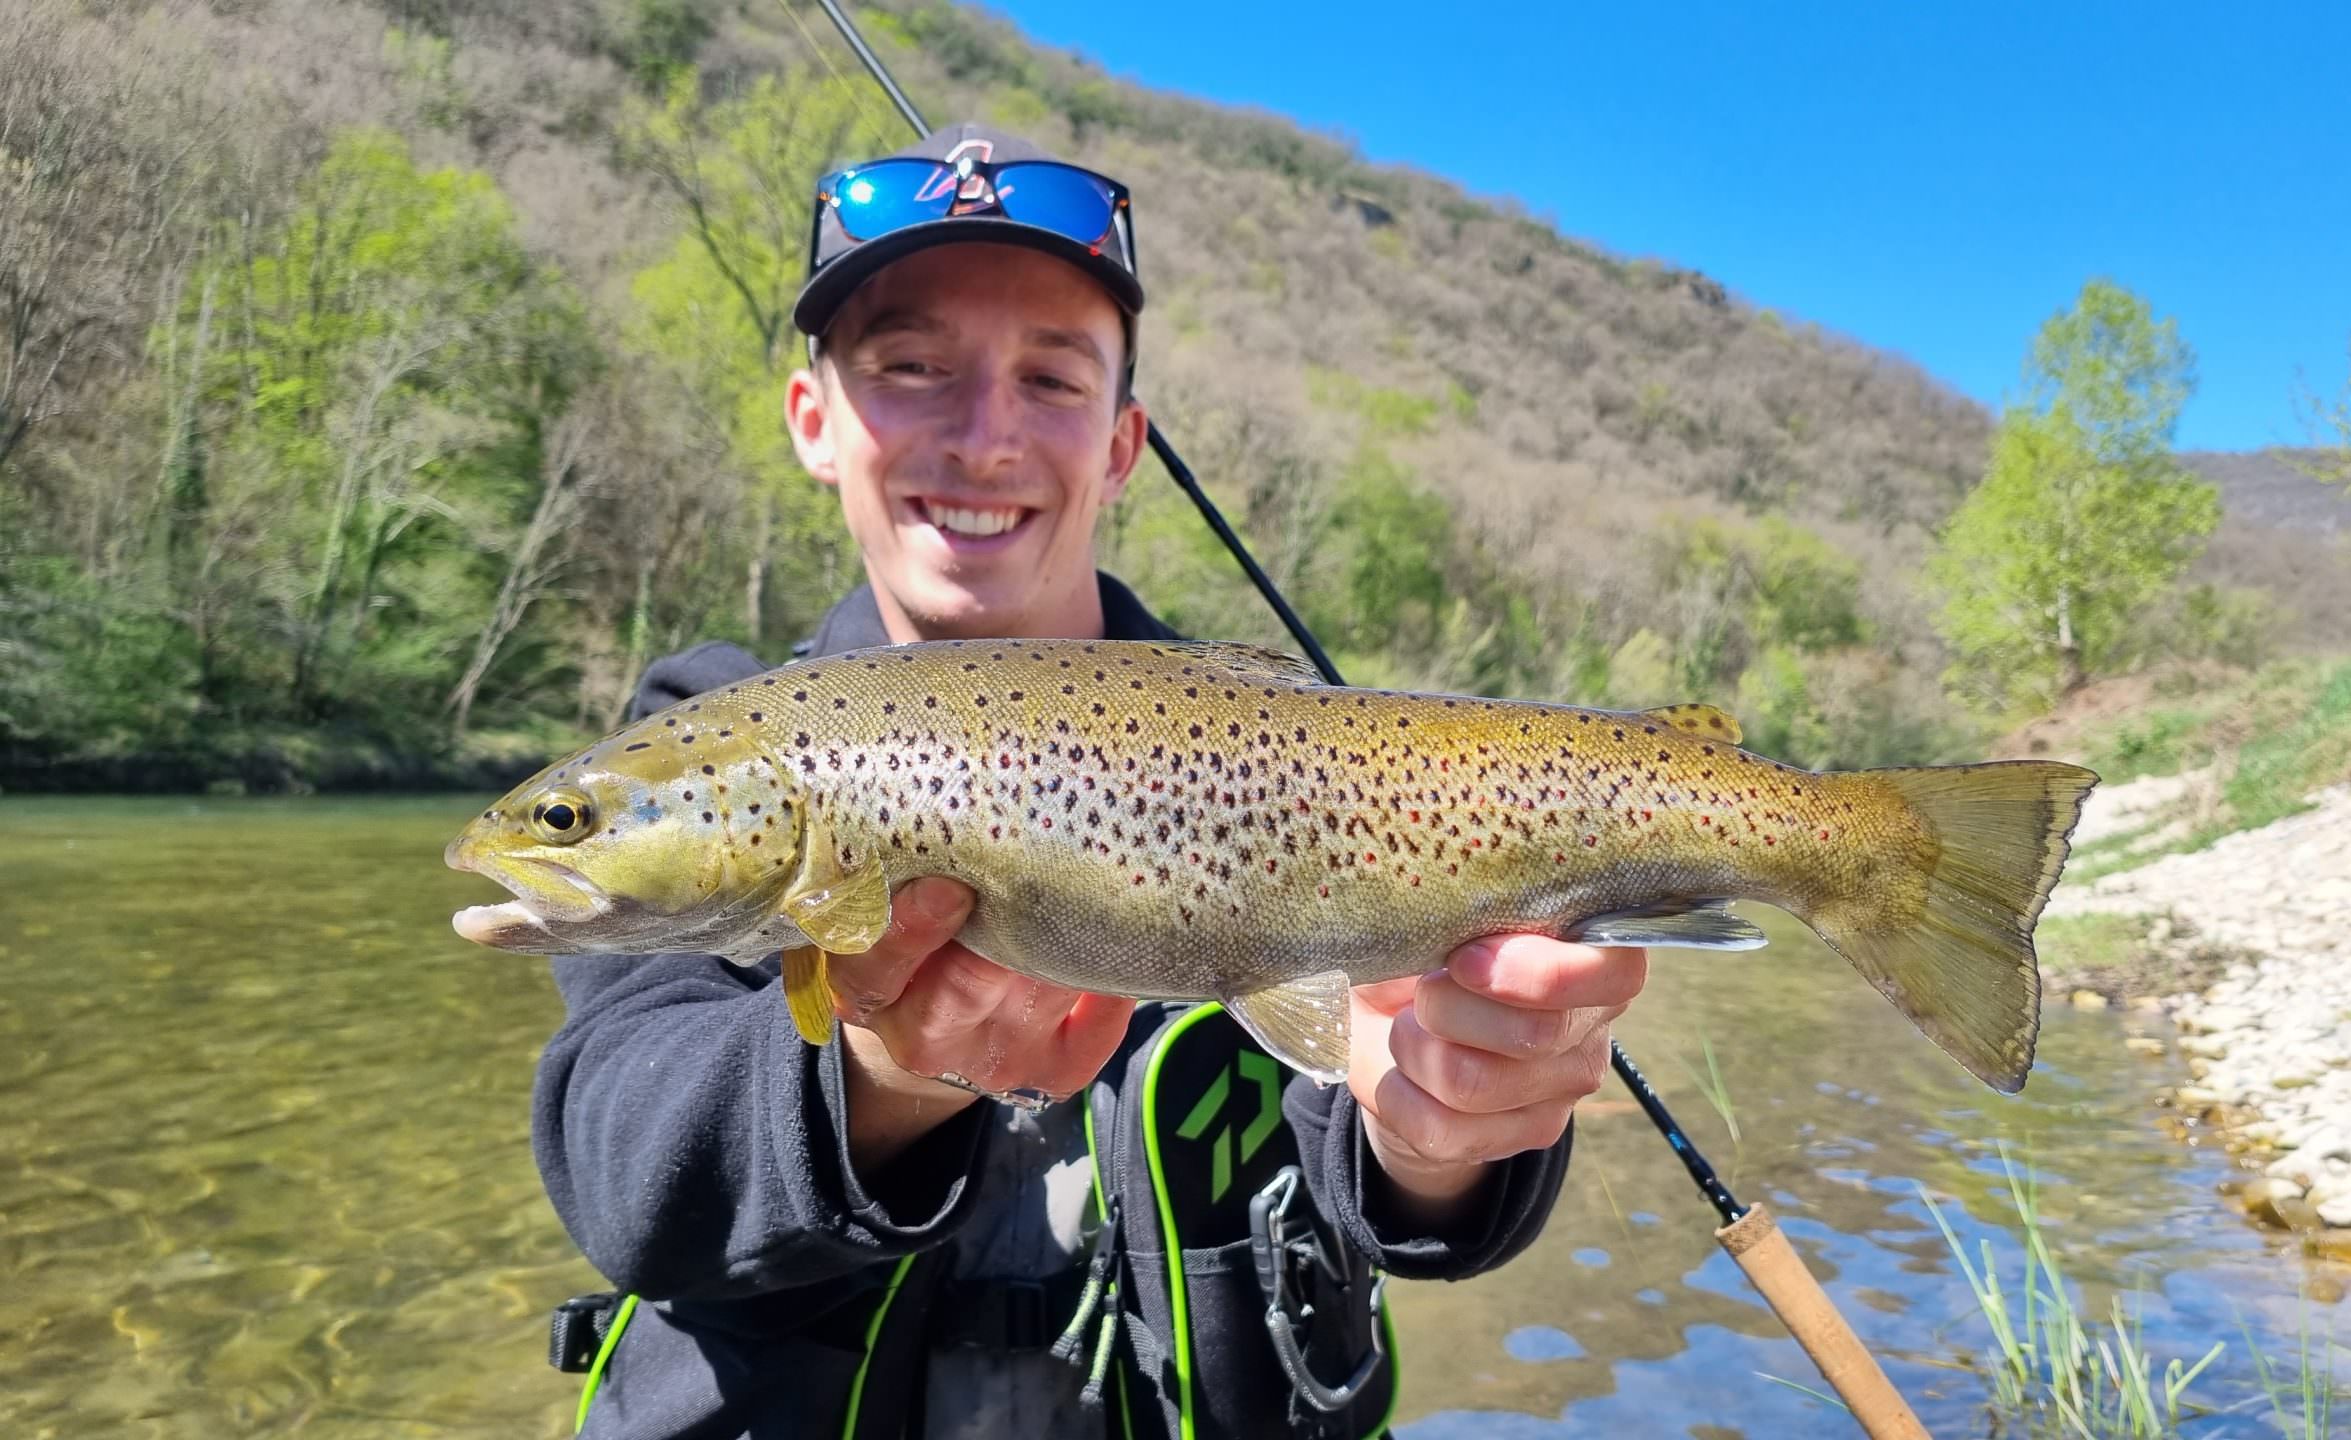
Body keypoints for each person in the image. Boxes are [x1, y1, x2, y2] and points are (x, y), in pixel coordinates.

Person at [533, 123, 1648, 1440]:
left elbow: (1384, 1165)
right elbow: (626, 1180)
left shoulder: (1275, 746)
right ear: (812, 419)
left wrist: (1442, 1137)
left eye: (1051, 379)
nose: (985, 436)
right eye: (910, 367)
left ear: (1123, 446)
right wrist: (885, 1072)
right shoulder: (704, 733)